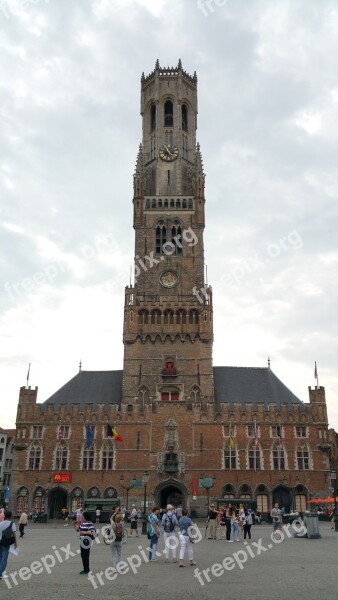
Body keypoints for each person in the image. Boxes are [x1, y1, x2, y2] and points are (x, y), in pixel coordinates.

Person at [0, 510, 17, 580]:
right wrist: (15, 543)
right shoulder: (12, 524)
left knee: (0, 557)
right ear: (11, 516)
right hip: (6, 542)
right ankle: (0, 573)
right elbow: (14, 534)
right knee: (4, 558)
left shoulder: (0, 523)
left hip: (0, 541)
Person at [78, 511, 96, 575]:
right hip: (82, 542)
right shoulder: (83, 523)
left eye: (83, 516)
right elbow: (78, 530)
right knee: (83, 556)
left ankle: (86, 570)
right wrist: (74, 525)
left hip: (86, 542)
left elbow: (93, 532)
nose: (82, 517)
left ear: (85, 517)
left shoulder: (90, 524)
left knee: (85, 556)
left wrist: (85, 532)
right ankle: (85, 568)